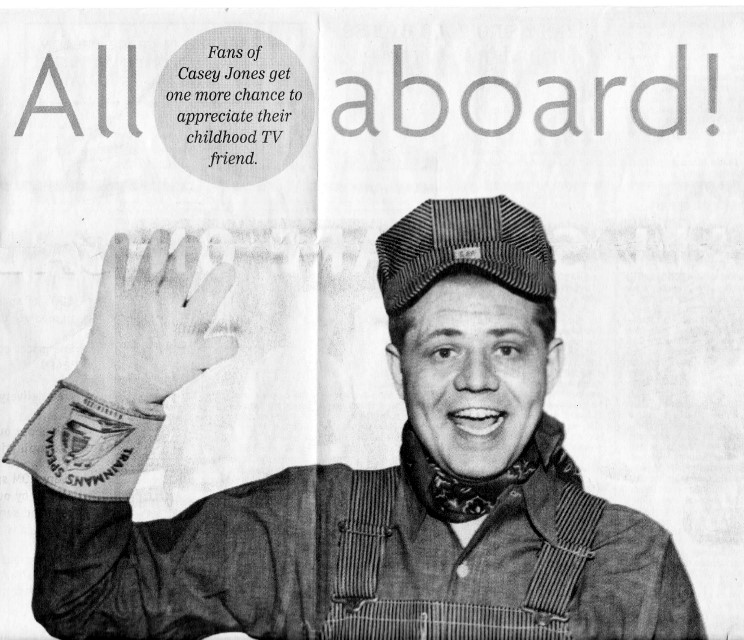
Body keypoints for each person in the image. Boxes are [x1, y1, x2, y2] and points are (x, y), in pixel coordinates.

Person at [4, 196, 705, 640]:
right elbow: (84, 601)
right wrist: (110, 399)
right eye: (443, 349)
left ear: (550, 366)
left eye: (507, 348)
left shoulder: (633, 559)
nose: (477, 379)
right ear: (398, 370)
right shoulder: (306, 524)